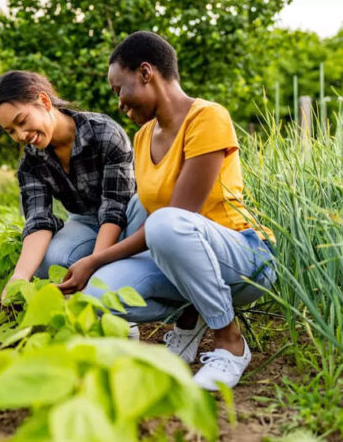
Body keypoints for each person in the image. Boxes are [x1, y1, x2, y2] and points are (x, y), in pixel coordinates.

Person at [56, 32, 277, 390]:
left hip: (245, 256)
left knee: (167, 224)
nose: (119, 103)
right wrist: (98, 269)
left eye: (119, 89)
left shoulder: (207, 117)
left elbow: (179, 216)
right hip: (181, 260)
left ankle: (230, 343)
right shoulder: (143, 138)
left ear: (146, 72)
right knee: (97, 292)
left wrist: (94, 259)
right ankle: (190, 322)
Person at [0, 71, 146, 299]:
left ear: (44, 101)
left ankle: (116, 300)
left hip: (130, 215)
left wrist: (93, 267)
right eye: (10, 131)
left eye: (21, 121)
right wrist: (19, 277)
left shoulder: (104, 134)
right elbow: (38, 220)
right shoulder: (31, 164)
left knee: (104, 276)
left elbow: (114, 210)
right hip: (86, 220)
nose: (20, 135)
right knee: (47, 263)